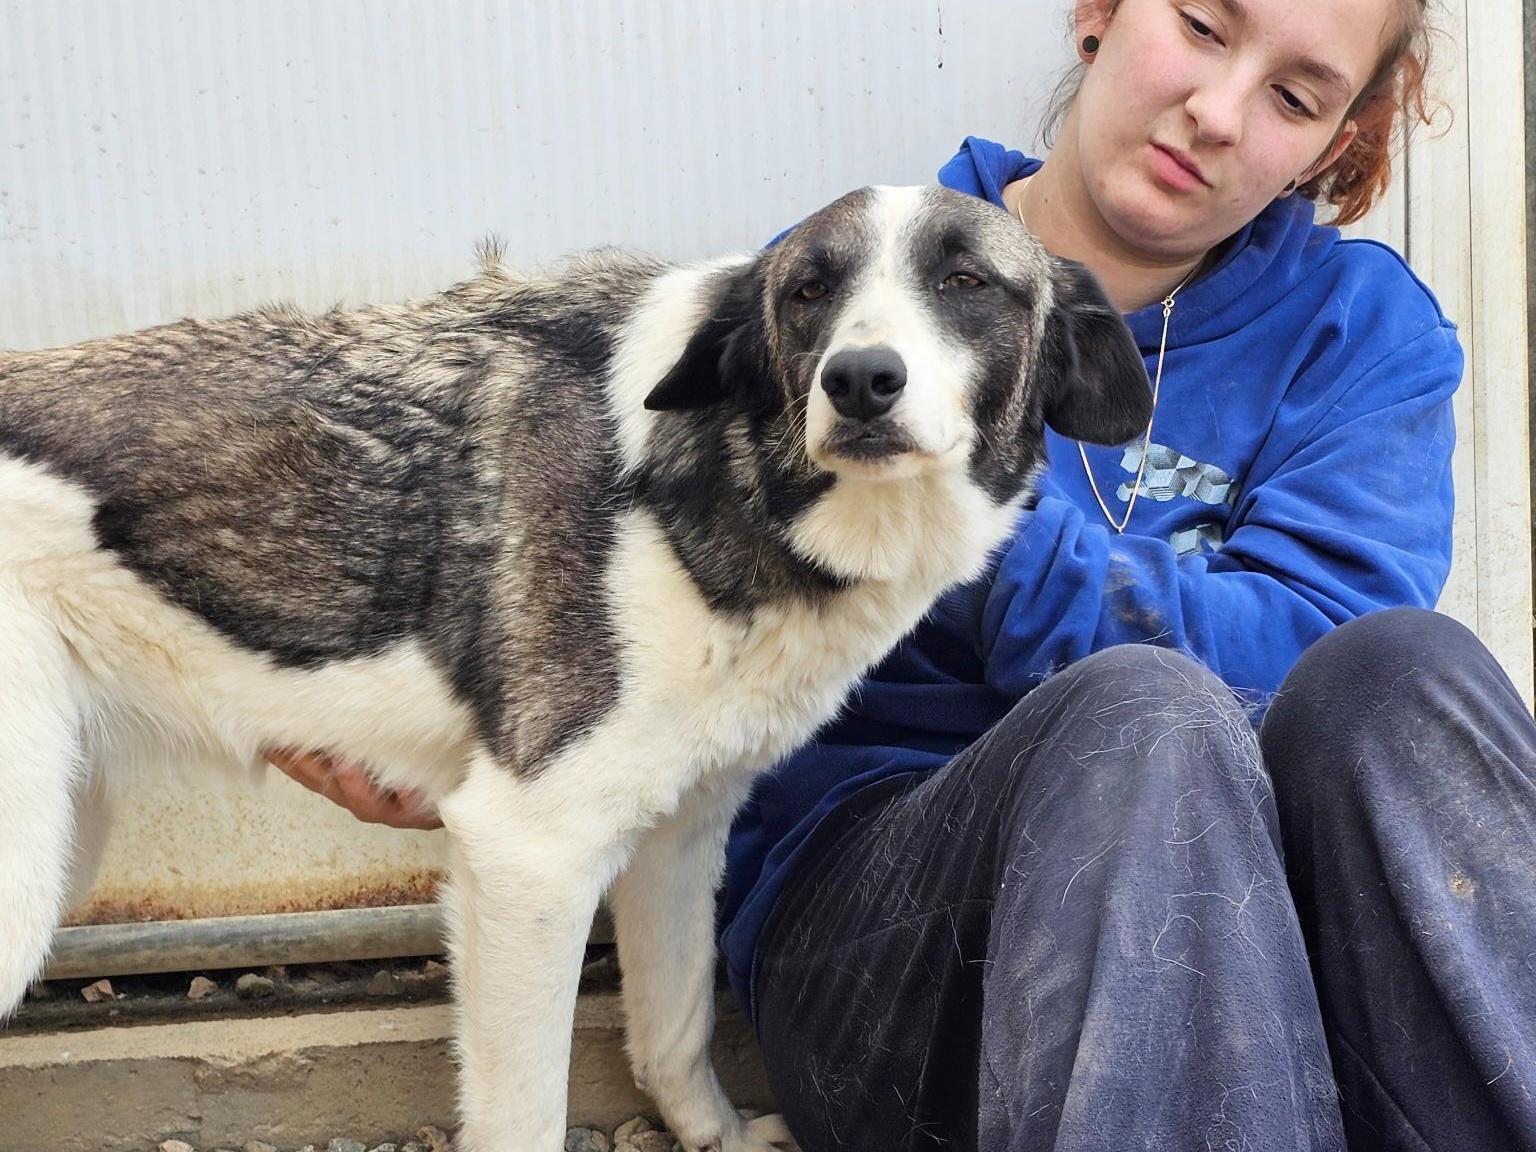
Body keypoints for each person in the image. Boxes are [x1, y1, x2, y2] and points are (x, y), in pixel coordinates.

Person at [271, 1, 1536, 1147]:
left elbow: (1314, 649)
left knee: (1406, 671)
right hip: (890, 938)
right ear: (1100, 14)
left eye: (1295, 97)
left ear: (1329, 146)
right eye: (1203, 26)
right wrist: (457, 718)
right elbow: (611, 632)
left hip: (1257, 952)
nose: (1217, 110)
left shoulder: (1366, 336)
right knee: (1141, 715)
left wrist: (974, 513)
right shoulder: (829, 293)